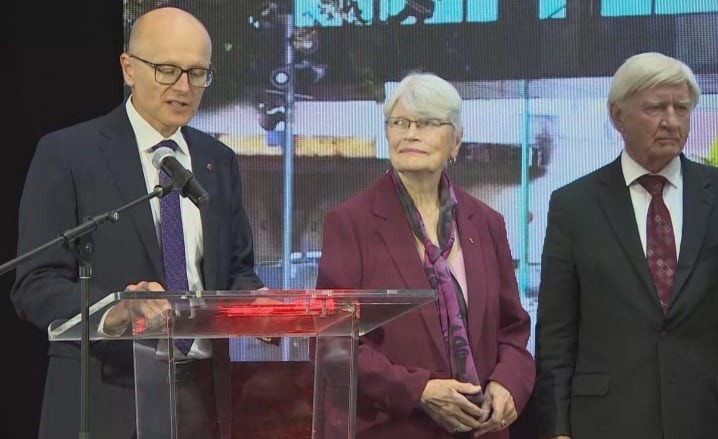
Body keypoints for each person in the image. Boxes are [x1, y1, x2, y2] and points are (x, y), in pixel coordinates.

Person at [11, 7, 263, 439]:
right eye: (167, 70)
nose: (184, 87)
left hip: (205, 402)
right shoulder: (68, 154)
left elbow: (237, 272)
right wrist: (114, 309)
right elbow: (34, 285)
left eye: (198, 73)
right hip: (104, 403)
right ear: (129, 68)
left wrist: (261, 307)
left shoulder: (217, 160)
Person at [534, 52, 718, 439]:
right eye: (656, 107)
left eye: (682, 108)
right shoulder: (573, 206)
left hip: (715, 420)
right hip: (604, 423)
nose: (671, 120)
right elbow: (556, 334)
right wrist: (556, 429)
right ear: (618, 116)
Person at [316, 71, 535, 438]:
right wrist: (419, 391)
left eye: (427, 123)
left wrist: (508, 383)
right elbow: (332, 344)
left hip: (483, 428)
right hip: (394, 428)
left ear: (456, 140)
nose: (410, 133)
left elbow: (512, 329)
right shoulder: (350, 223)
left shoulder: (486, 223)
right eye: (400, 122)